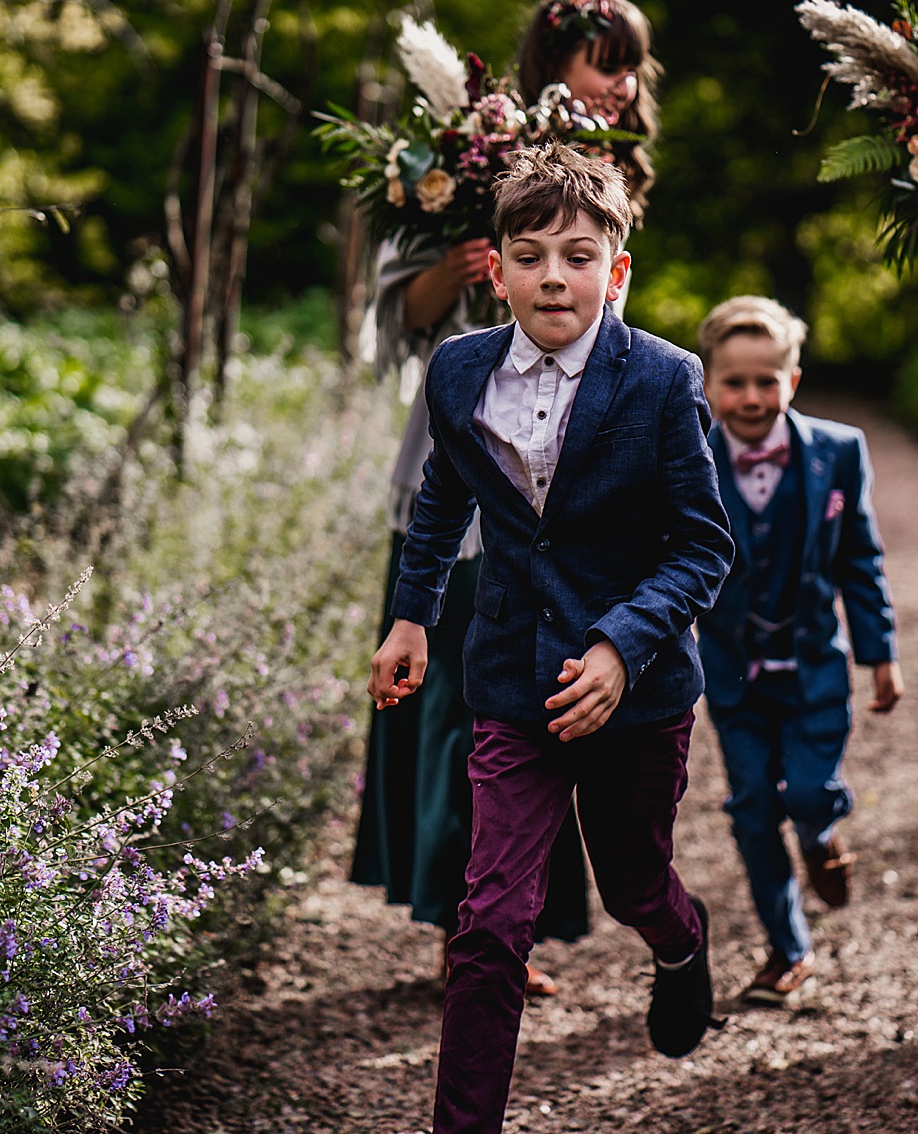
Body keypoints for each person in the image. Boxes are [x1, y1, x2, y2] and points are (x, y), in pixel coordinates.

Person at [367, 143, 734, 1134]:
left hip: (637, 691)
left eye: (577, 256)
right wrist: (411, 615)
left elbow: (703, 547)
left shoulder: (663, 380)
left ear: (615, 271)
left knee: (629, 883)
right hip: (509, 684)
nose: (552, 276)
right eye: (528, 256)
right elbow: (443, 496)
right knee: (486, 925)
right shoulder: (457, 371)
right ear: (495, 269)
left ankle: (678, 939)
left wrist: (621, 648)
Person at [351, 0, 662, 998]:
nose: (617, 82)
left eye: (630, 67)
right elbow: (399, 314)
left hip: (563, 471)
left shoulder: (614, 175)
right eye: (599, 61)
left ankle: (501, 924)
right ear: (550, 61)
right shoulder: (466, 155)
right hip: (466, 464)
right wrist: (460, 268)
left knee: (533, 707)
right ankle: (463, 927)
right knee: (455, 708)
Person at [692, 296, 902, 1007]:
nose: (750, 397)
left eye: (766, 381)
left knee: (808, 793)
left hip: (815, 665)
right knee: (751, 809)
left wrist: (882, 653)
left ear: (794, 380)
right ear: (709, 384)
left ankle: (820, 836)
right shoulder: (689, 458)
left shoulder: (838, 453)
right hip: (733, 673)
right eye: (733, 382)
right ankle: (789, 952)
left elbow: (861, 562)